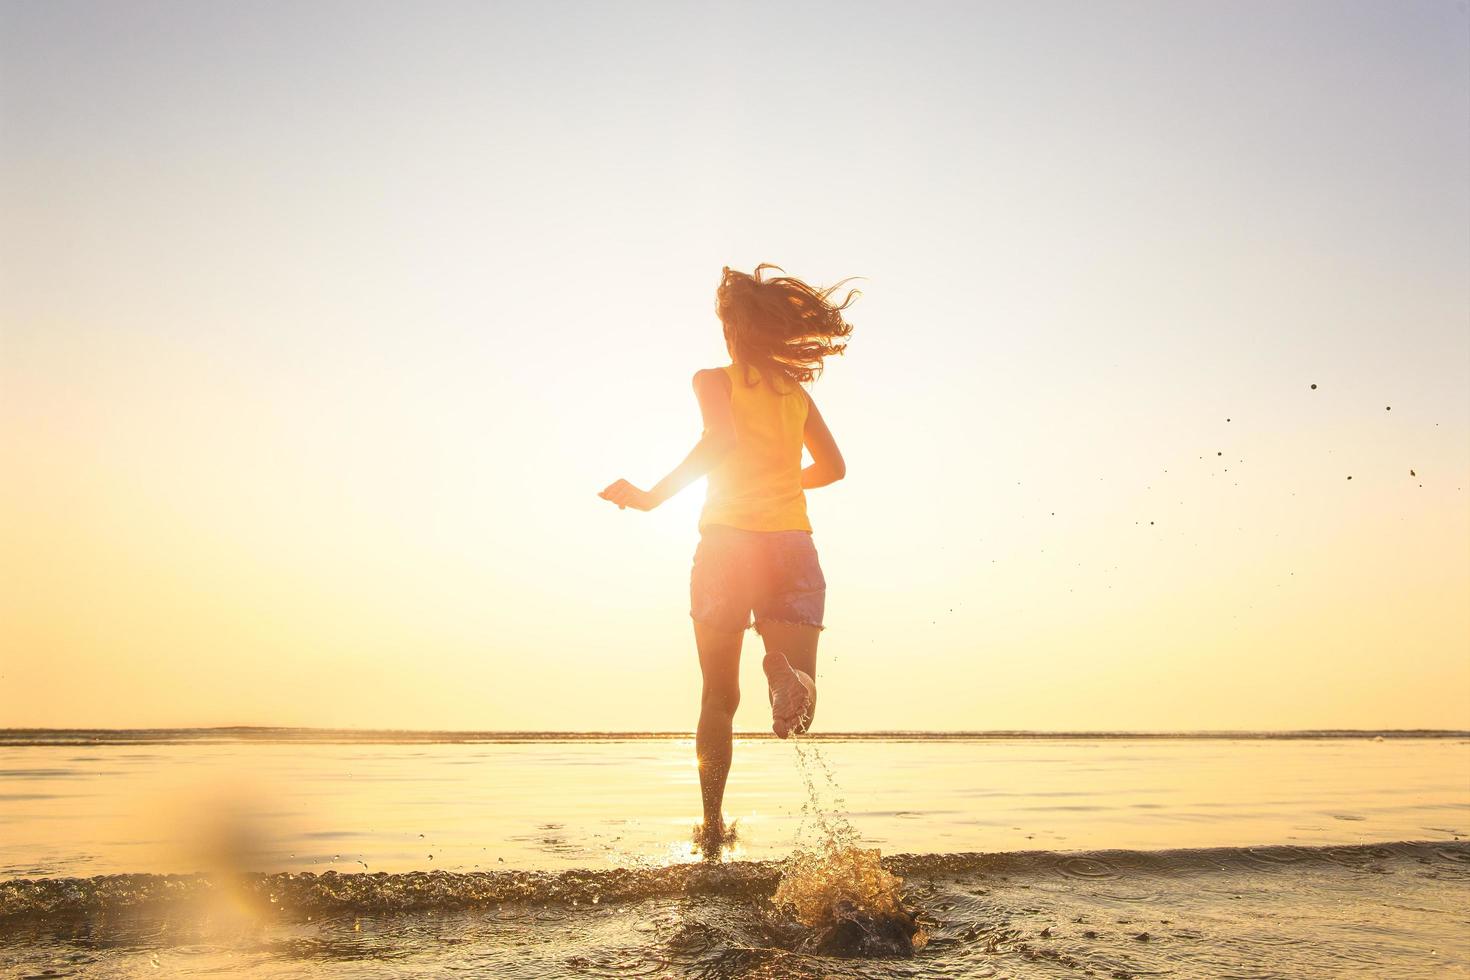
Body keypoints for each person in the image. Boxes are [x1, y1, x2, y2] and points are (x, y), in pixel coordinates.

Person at [599, 263, 856, 856]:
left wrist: (650, 497)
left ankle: (712, 827)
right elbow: (835, 469)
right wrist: (784, 478)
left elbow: (721, 440)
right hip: (790, 545)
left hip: (725, 546)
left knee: (718, 697)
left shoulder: (714, 379)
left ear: (732, 330)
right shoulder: (797, 396)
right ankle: (786, 674)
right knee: (803, 704)